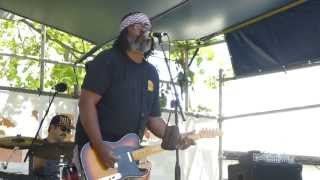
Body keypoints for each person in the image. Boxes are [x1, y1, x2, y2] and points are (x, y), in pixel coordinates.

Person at [75, 12, 194, 179]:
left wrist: (175, 137)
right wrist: (100, 146)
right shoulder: (107, 60)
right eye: (137, 26)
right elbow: (86, 104)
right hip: (95, 151)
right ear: (124, 32)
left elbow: (153, 119)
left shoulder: (151, 72)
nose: (144, 30)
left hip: (127, 154)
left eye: (147, 26)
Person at [32, 114, 75, 179]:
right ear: (52, 127)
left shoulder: (68, 148)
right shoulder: (40, 146)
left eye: (68, 130)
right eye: (63, 129)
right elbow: (37, 170)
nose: (66, 132)